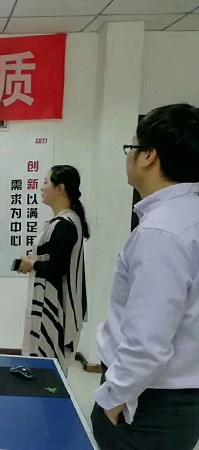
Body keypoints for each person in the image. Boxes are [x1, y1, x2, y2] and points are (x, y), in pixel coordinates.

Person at [92, 103, 199, 450]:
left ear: (149, 156)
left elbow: (147, 342)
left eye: (132, 147)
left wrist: (113, 398)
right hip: (176, 400)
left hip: (146, 406)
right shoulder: (188, 217)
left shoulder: (161, 232)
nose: (129, 156)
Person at [19, 165, 90, 375]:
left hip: (56, 307)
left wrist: (33, 265)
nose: (42, 188)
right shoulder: (62, 221)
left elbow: (57, 267)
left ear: (60, 188)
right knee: (46, 366)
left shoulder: (65, 224)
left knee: (50, 368)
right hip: (51, 303)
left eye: (46, 182)